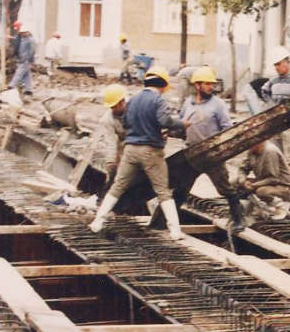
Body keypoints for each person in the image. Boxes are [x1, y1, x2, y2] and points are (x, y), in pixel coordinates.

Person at [89, 66, 185, 238]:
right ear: (161, 85)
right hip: (150, 151)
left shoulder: (133, 100)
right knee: (163, 191)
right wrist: (180, 124)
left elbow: (126, 123)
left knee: (117, 187)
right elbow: (164, 120)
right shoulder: (158, 101)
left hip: (130, 150)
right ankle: (175, 231)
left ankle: (98, 221)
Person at [180, 66, 245, 230]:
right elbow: (181, 124)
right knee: (181, 188)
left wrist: (222, 150)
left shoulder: (218, 105)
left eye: (212, 84)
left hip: (212, 155)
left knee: (225, 189)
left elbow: (227, 129)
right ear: (197, 85)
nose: (211, 87)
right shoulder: (188, 102)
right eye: (207, 84)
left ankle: (239, 219)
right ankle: (167, 221)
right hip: (192, 154)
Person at [237, 140, 290, 220]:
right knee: (235, 182)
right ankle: (254, 207)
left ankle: (281, 207)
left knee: (262, 191)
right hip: (266, 182)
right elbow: (242, 169)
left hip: (283, 186)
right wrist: (243, 181)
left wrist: (254, 185)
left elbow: (273, 179)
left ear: (258, 143)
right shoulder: (252, 150)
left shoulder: (270, 151)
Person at [97, 83, 128, 193]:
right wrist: (111, 164)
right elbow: (110, 143)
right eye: (111, 107)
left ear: (123, 102)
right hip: (124, 141)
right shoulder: (107, 119)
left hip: (141, 140)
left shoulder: (136, 110)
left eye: (115, 106)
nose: (113, 109)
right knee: (118, 171)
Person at [10, 27, 35, 96]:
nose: (22, 34)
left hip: (26, 60)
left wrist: (29, 59)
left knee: (19, 72)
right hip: (22, 59)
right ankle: (28, 89)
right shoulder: (23, 39)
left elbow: (32, 50)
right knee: (27, 75)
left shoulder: (31, 40)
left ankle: (12, 85)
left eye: (23, 32)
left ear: (27, 32)